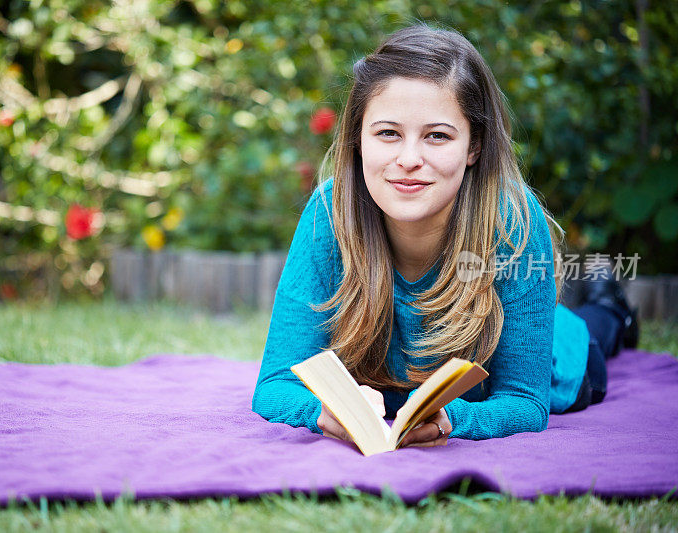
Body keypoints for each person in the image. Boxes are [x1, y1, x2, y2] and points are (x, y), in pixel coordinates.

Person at [251, 24, 638, 447]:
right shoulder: (330, 213)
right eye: (387, 133)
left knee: (587, 330)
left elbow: (525, 401)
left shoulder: (514, 224)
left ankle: (613, 310)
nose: (409, 159)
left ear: (473, 146)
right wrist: (320, 412)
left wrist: (453, 418)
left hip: (557, 360)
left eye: (437, 136)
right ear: (358, 140)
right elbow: (274, 385)